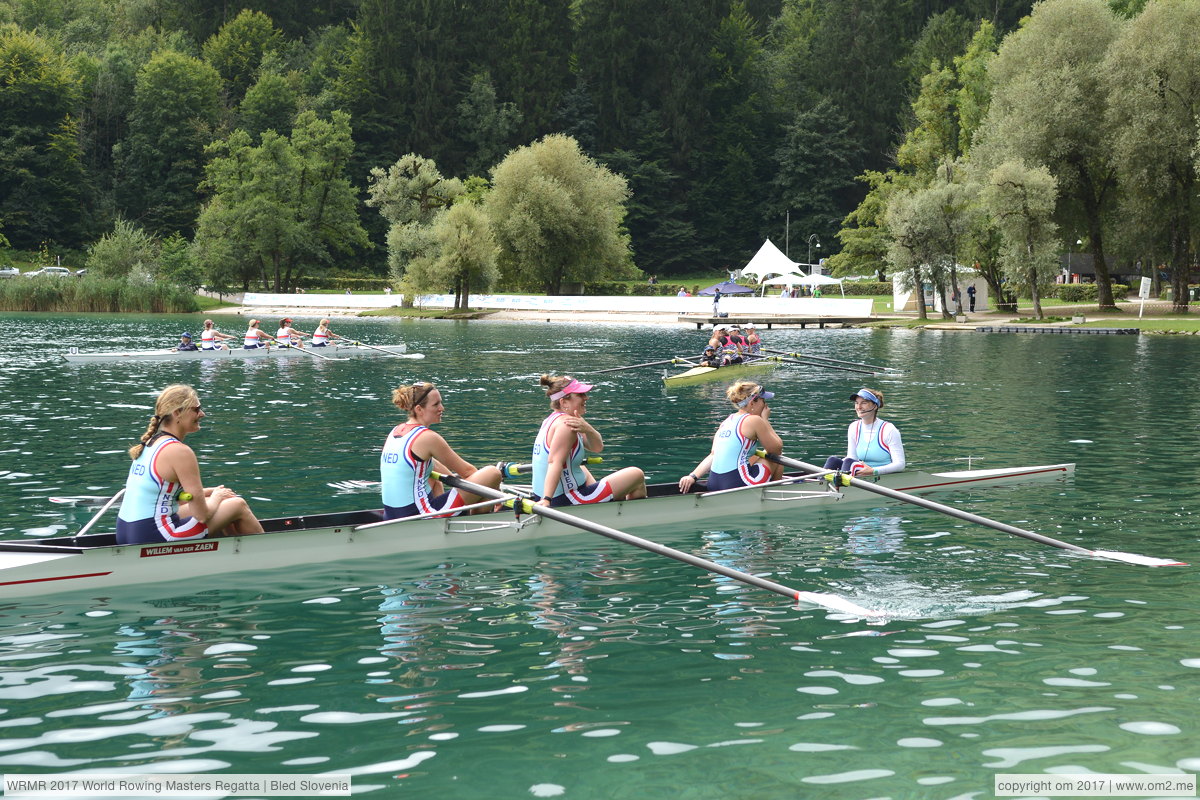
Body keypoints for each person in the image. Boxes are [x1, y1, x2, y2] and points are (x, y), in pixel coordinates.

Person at [116, 384, 262, 545]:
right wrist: (216, 497)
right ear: (177, 413)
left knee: (222, 502)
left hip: (126, 532)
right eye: (196, 409)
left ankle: (231, 552)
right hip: (157, 536)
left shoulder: (150, 443)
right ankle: (265, 551)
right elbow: (202, 515)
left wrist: (210, 492)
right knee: (237, 505)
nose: (202, 414)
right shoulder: (179, 451)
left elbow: (172, 497)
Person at [380, 382, 503, 520]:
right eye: (436, 404)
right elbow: (468, 471)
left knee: (435, 480)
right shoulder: (428, 437)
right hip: (420, 516)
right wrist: (494, 492)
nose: (441, 408)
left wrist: (458, 483)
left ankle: (458, 515)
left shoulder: (396, 432)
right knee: (492, 473)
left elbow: (434, 465)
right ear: (419, 409)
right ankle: (478, 521)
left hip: (391, 516)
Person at [532, 375, 647, 506]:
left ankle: (607, 502)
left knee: (581, 467)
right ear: (564, 402)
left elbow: (597, 448)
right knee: (636, 475)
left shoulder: (551, 420)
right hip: (566, 499)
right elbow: (554, 462)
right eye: (580, 394)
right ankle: (630, 517)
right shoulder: (566, 426)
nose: (586, 397)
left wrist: (588, 429)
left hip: (548, 495)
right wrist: (547, 499)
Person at [678, 381, 784, 493]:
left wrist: (693, 476)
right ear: (752, 403)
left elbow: (713, 455)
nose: (765, 405)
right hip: (741, 483)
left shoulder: (726, 422)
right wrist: (765, 421)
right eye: (763, 400)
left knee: (751, 456)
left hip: (714, 484)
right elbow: (776, 449)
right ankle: (776, 495)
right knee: (777, 459)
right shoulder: (754, 420)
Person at [823, 388, 905, 477]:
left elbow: (900, 464)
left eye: (864, 403)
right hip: (860, 472)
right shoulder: (854, 427)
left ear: (875, 406)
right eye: (856, 403)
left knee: (849, 462)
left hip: (880, 475)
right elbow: (852, 457)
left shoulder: (889, 430)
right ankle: (819, 483)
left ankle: (839, 487)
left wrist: (874, 471)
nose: (859, 407)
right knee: (832, 460)